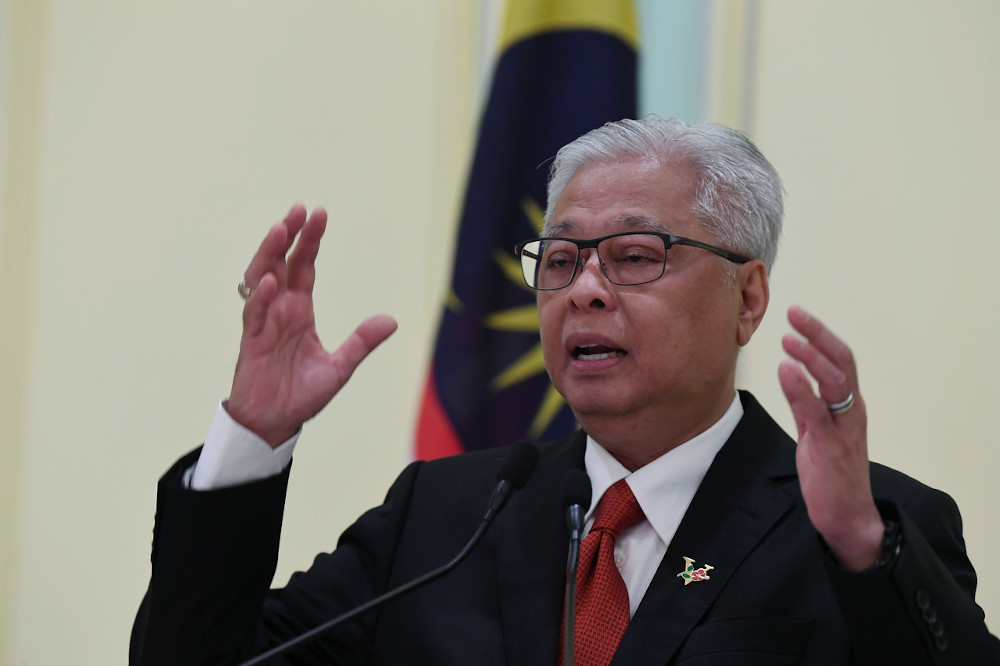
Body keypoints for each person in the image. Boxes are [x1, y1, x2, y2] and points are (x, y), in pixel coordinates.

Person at [130, 118, 1000, 665]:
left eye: (634, 256)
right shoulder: (445, 516)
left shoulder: (865, 532)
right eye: (561, 259)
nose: (584, 289)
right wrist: (252, 438)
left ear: (748, 297)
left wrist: (856, 542)